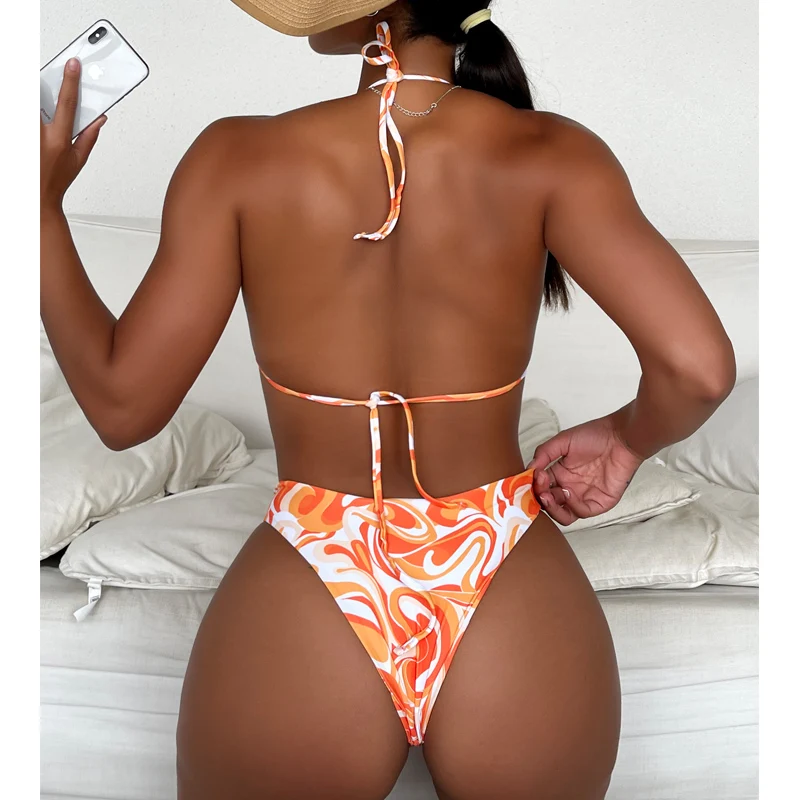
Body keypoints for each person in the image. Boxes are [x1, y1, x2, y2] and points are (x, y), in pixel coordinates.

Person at [40, 1, 737, 798]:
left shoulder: (236, 157)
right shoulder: (552, 153)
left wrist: (35, 208)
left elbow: (122, 409)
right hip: (501, 560)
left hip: (316, 555)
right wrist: (625, 439)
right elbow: (698, 369)